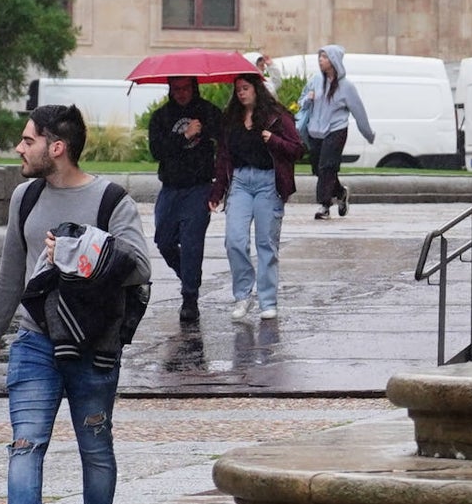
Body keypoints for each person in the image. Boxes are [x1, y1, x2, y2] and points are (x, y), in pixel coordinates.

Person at [0, 104, 151, 504]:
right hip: (34, 341)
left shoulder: (113, 200)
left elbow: (139, 267)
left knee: (95, 447)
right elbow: (12, 269)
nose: (19, 147)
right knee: (25, 442)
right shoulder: (24, 198)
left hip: (93, 345)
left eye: (28, 140)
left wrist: (79, 247)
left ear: (57, 147)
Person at [209, 73, 304, 321]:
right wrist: (217, 192)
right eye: (238, 89)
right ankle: (243, 296)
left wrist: (273, 140)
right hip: (240, 182)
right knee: (234, 240)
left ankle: (268, 301)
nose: (241, 93)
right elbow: (223, 158)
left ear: (256, 89)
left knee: (266, 244)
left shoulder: (275, 116)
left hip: (267, 183)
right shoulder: (232, 120)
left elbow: (297, 149)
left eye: (246, 88)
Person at [147, 75, 222, 323]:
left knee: (191, 242)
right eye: (175, 89)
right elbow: (157, 150)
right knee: (163, 240)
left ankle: (190, 297)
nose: (181, 93)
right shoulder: (161, 117)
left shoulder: (208, 112)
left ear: (194, 87)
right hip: (170, 187)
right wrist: (185, 136)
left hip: (199, 187)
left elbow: (224, 143)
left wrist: (220, 186)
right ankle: (189, 277)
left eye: (185, 88)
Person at [300, 44, 374, 220]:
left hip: (336, 130)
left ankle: (324, 206)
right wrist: (307, 100)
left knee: (327, 167)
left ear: (333, 61)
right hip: (316, 131)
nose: (320, 60)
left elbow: (359, 111)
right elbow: (302, 101)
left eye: (324, 57)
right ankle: (340, 193)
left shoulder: (346, 87)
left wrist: (368, 134)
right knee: (320, 169)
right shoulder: (315, 80)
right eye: (320, 57)